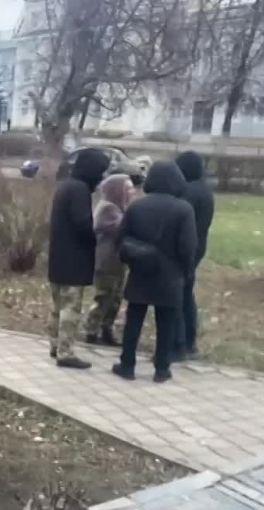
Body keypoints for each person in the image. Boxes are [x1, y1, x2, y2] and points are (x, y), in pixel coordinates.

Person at [113, 161, 197, 383]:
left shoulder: (137, 206)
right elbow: (188, 247)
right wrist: (187, 272)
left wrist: (133, 257)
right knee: (166, 321)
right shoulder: (183, 209)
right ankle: (161, 368)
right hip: (170, 274)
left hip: (140, 269)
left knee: (134, 319)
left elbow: (120, 238)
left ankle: (127, 364)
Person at [48, 147, 111, 369]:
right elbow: (83, 225)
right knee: (70, 308)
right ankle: (65, 352)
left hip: (58, 257)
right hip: (73, 260)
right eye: (100, 171)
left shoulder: (65, 186)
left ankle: (55, 345)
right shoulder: (79, 190)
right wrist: (95, 239)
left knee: (57, 307)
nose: (101, 177)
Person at [85, 173, 137, 347]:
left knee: (115, 298)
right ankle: (92, 329)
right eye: (128, 189)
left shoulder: (119, 208)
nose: (132, 192)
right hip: (106, 262)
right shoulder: (107, 209)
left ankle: (106, 329)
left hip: (117, 262)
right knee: (103, 296)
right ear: (117, 191)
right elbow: (121, 228)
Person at [174, 150, 216, 358]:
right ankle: (189, 342)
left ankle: (179, 343)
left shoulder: (188, 192)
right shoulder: (204, 190)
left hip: (185, 248)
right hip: (198, 246)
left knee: (177, 296)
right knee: (186, 294)